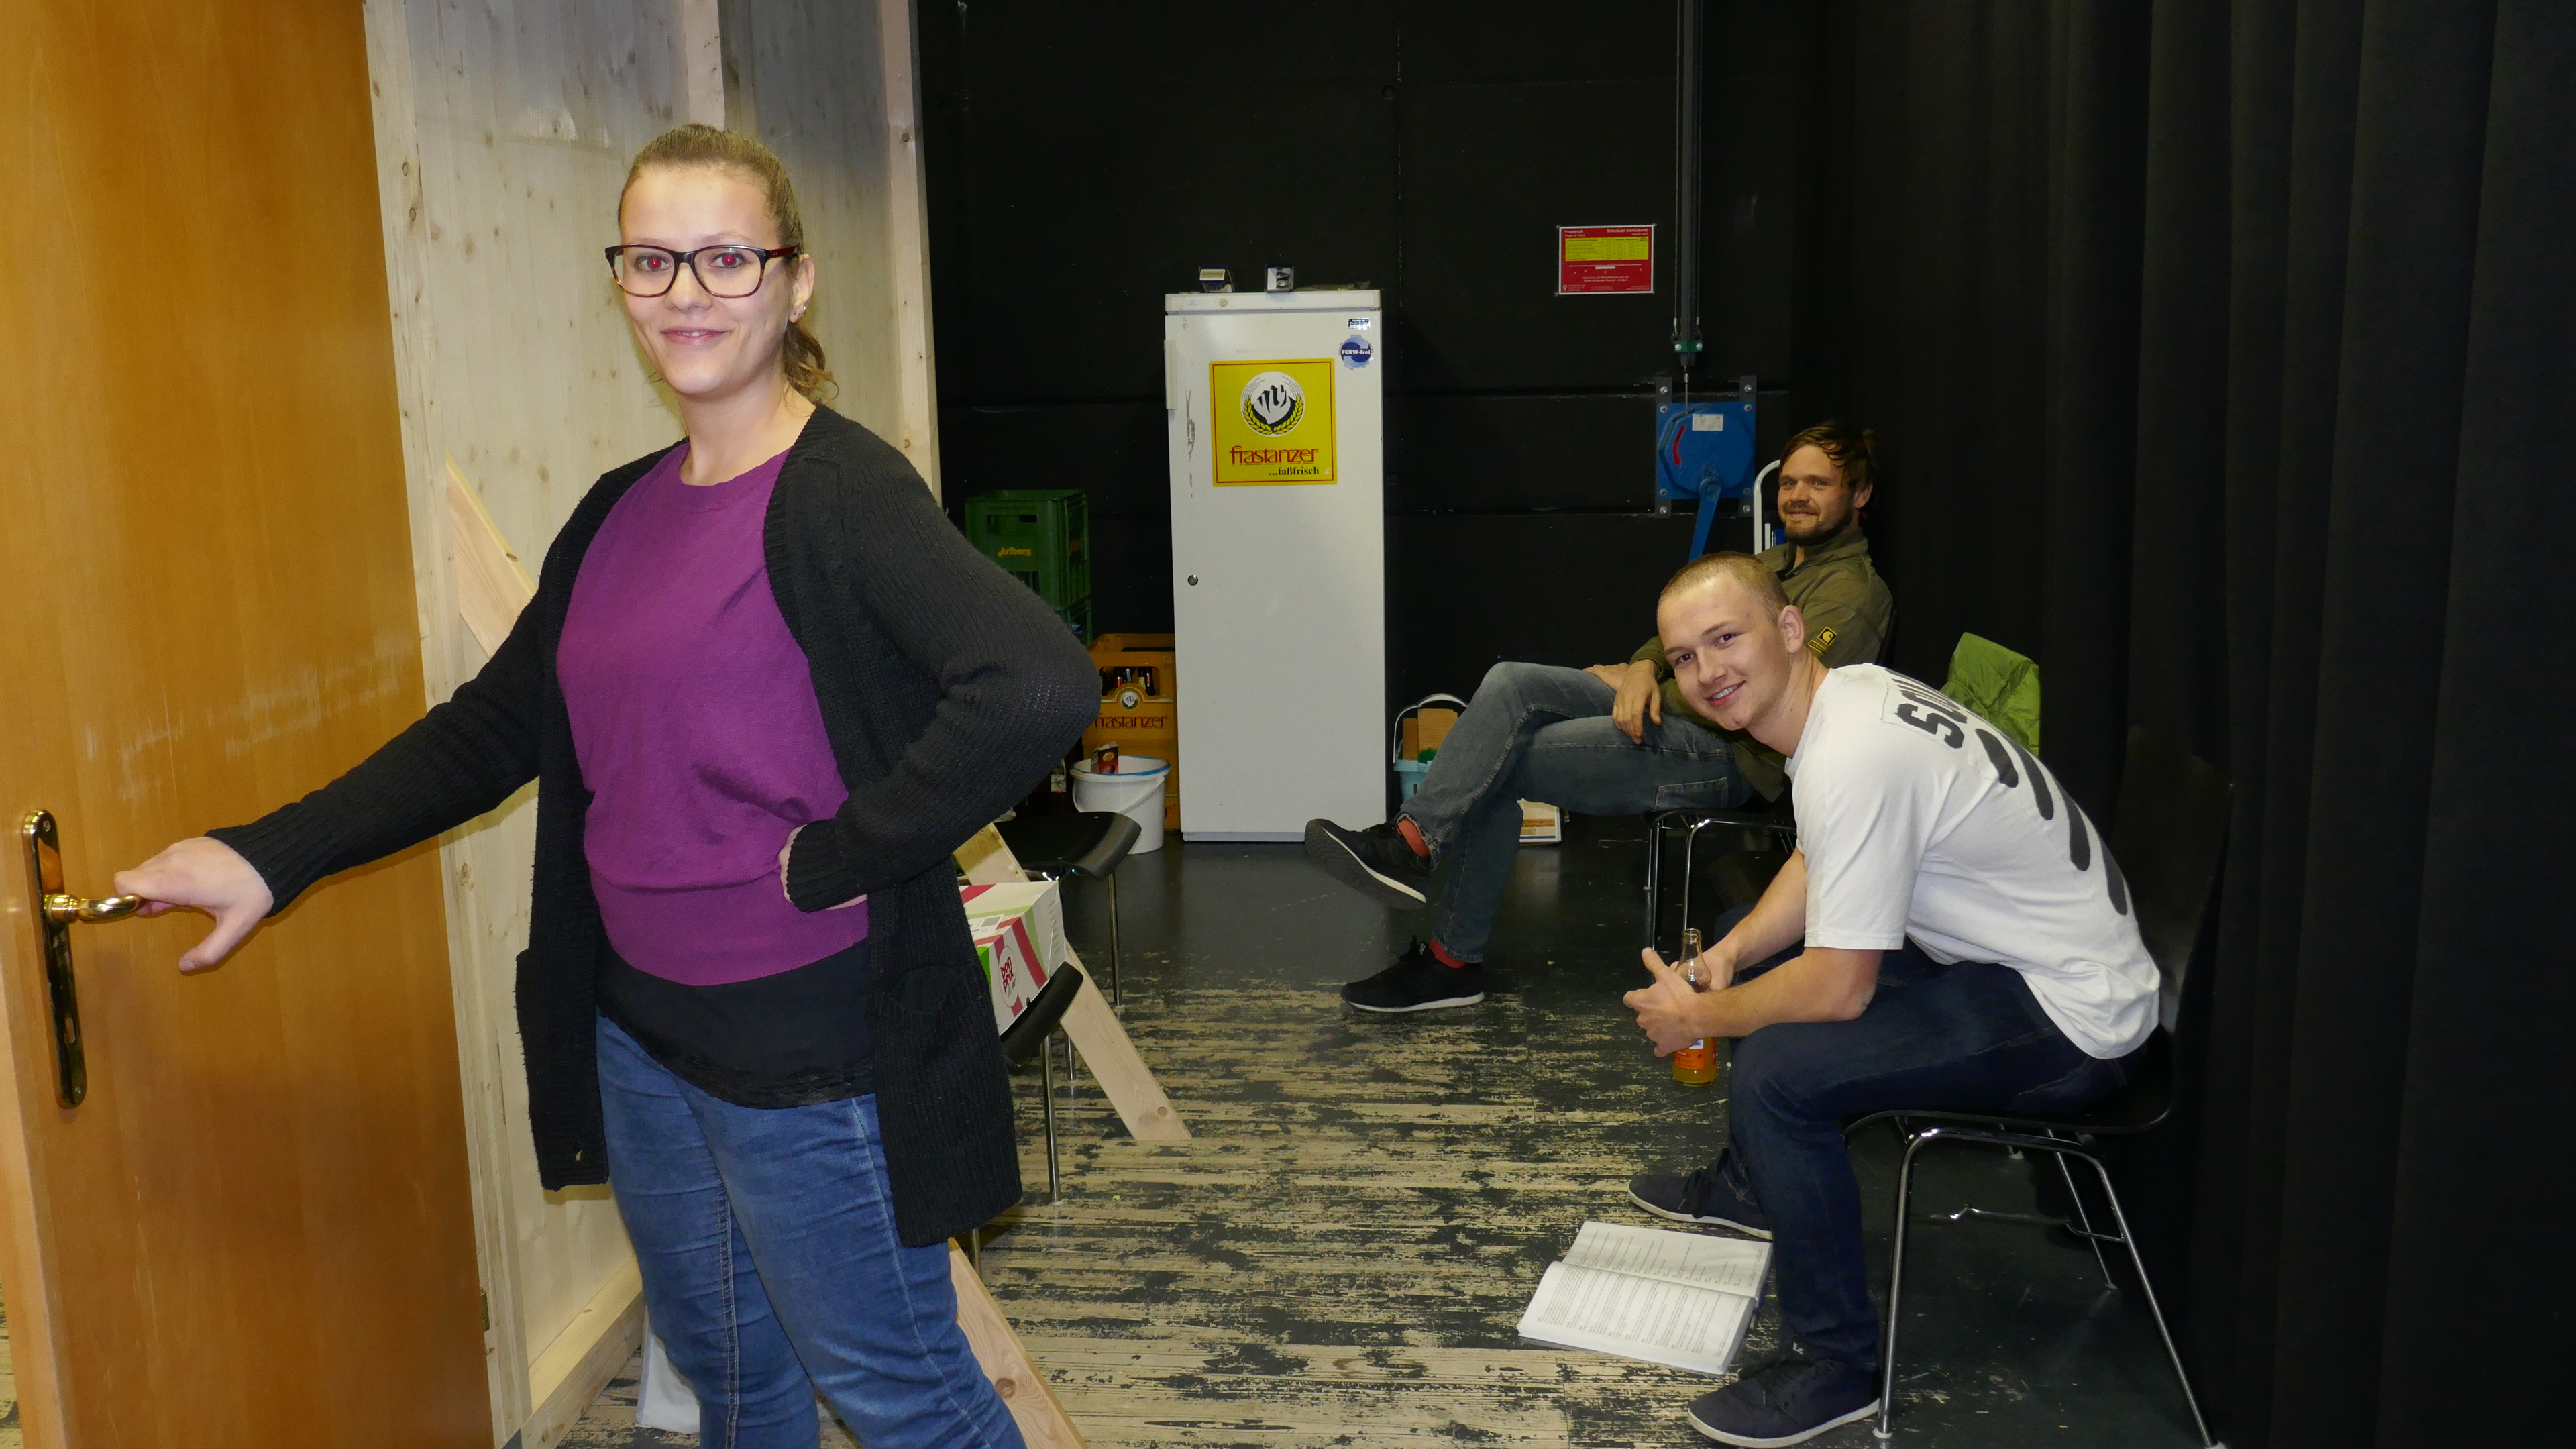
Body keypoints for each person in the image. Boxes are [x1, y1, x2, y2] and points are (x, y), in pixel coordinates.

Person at [111, 125, 1095, 1449]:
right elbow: (494, 729)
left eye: (726, 258)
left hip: (805, 1059)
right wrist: (267, 854)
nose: (687, 292)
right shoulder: (620, 510)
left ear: (795, 281)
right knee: (732, 1386)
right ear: (622, 280)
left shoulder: (842, 494)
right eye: (652, 260)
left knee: (903, 1398)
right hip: (640, 1040)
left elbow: (1034, 685)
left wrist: (845, 854)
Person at [1617, 553, 2151, 1446]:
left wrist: (1699, 1017)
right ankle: (1755, 1184)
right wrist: (1729, 960)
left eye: (1725, 638)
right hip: (2012, 963)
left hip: (2074, 1019)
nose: (1707, 671)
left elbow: (1839, 988)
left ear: (1790, 630)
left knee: (1776, 1076)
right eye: (1683, 657)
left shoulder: (1853, 753)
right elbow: (1816, 856)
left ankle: (1835, 1368)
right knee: (1746, 934)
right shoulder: (1845, 700)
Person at [1303, 423, 1895, 1013]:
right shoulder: (1768, 564)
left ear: (1860, 494)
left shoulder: (1855, 593)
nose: (1797, 496)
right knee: (1511, 683)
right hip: (1674, 710)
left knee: (1497, 762)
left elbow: (1762, 694)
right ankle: (1411, 844)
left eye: (1818, 484)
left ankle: (1450, 963)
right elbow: (1674, 630)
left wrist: (1656, 686)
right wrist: (1641, 669)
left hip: (1732, 756)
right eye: (1789, 482)